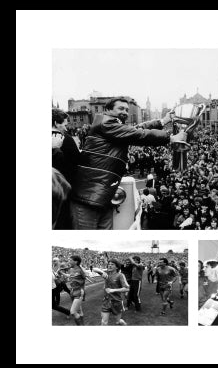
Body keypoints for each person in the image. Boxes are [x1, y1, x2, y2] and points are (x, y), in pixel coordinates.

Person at [69, 97, 185, 230]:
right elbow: (137, 134)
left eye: (126, 109)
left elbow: (135, 129)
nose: (125, 112)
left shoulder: (112, 125)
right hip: (88, 198)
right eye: (120, 108)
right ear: (107, 110)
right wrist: (170, 138)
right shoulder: (106, 123)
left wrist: (162, 121)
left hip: (103, 196)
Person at [52, 108, 80, 229]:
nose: (66, 128)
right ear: (55, 123)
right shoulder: (66, 139)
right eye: (64, 124)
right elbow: (77, 163)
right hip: (62, 191)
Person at [92, 259, 130, 325]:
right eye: (109, 264)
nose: (109, 265)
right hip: (106, 302)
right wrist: (101, 272)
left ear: (117, 267)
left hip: (116, 302)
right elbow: (94, 269)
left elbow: (127, 288)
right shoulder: (107, 274)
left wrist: (113, 290)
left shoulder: (120, 275)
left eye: (112, 264)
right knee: (104, 322)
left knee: (118, 322)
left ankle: (123, 324)